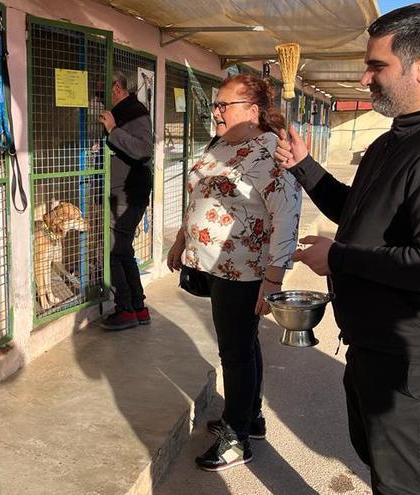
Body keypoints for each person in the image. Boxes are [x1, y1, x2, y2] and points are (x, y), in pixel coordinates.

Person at [274, 4, 420, 493]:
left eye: (376, 66)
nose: (364, 78)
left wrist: (337, 258)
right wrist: (305, 166)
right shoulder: (398, 138)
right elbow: (361, 216)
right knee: (383, 465)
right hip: (380, 348)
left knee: (409, 485)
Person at [167, 74, 302, 471]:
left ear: (254, 110)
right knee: (243, 345)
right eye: (216, 105)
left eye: (225, 105)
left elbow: (286, 217)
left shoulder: (269, 151)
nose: (217, 112)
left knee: (235, 351)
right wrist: (180, 240)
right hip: (213, 264)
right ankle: (250, 416)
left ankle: (236, 437)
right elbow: (199, 196)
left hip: (243, 271)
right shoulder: (220, 146)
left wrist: (274, 280)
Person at [98, 71, 155, 330]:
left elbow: (143, 151)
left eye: (104, 91)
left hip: (127, 195)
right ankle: (138, 307)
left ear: (118, 88)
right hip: (123, 193)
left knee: (113, 253)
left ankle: (125, 308)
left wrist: (112, 130)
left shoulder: (135, 111)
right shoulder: (125, 111)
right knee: (124, 251)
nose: (101, 98)